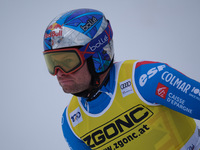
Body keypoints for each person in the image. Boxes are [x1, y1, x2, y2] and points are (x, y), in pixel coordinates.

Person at [43, 8, 200, 150]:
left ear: (96, 56)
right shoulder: (71, 124)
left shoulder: (147, 79)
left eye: (67, 61)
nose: (59, 72)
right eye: (53, 63)